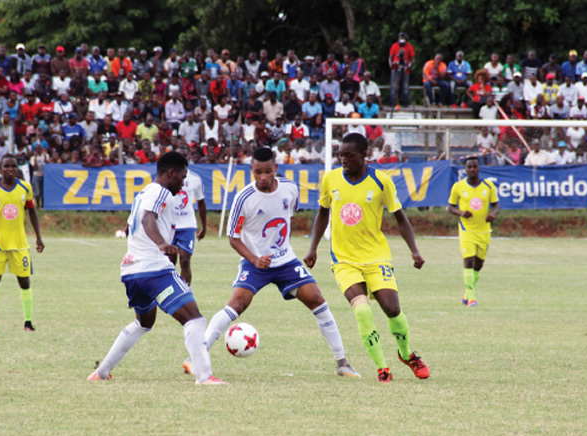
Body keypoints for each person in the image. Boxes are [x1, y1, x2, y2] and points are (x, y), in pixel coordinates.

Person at [182, 147, 359, 377]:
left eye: (268, 171)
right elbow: (233, 238)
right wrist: (255, 259)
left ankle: (342, 362)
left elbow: (288, 217)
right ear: (251, 171)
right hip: (255, 263)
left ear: (276, 168)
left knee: (317, 299)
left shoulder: (289, 188)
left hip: (286, 262)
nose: (263, 177)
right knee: (236, 304)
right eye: (258, 172)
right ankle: (195, 358)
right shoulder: (243, 198)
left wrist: (296, 250)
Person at [88, 152, 225, 385]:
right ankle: (204, 377)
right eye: (182, 177)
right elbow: (147, 219)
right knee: (194, 319)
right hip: (153, 268)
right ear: (171, 173)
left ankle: (101, 372)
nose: (183, 183)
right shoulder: (160, 192)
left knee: (144, 323)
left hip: (132, 270)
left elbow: (139, 222)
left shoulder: (143, 193)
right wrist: (161, 243)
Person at [304, 133, 429, 383]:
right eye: (340, 154)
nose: (343, 159)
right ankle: (382, 367)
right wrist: (313, 247)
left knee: (392, 309)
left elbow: (400, 218)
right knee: (362, 310)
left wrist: (414, 250)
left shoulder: (381, 182)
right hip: (344, 260)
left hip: (376, 257)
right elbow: (322, 214)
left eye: (348, 155)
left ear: (365, 155)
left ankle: (406, 354)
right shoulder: (331, 180)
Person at [0, 154, 44, 331]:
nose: (10, 169)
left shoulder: (25, 187)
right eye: (6, 166)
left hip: (19, 244)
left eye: (13, 166)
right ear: (0, 168)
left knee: (24, 282)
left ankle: (28, 322)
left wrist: (38, 237)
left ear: (17, 168)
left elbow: (32, 212)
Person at [447, 157, 499, 306]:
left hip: (484, 231)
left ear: (479, 168)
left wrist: (492, 214)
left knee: (479, 264)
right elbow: (450, 207)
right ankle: (472, 297)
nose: (472, 169)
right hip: (466, 230)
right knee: (468, 260)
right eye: (469, 167)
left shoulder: (488, 186)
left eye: (474, 167)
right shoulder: (458, 186)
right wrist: (461, 213)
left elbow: (496, 205)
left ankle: (467, 292)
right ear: (465, 169)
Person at [169, 149, 207, 285]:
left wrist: (204, 227)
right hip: (169, 225)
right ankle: (170, 292)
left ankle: (185, 294)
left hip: (187, 226)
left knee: (185, 260)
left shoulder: (195, 179)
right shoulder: (168, 178)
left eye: (184, 156)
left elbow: (201, 203)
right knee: (169, 261)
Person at [388, 32, 414, 109]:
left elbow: (412, 58)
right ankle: (392, 102)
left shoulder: (409, 46)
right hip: (396, 67)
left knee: (405, 86)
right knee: (394, 85)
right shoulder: (394, 46)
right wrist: (391, 65)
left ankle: (405, 102)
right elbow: (390, 57)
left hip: (405, 68)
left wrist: (409, 65)